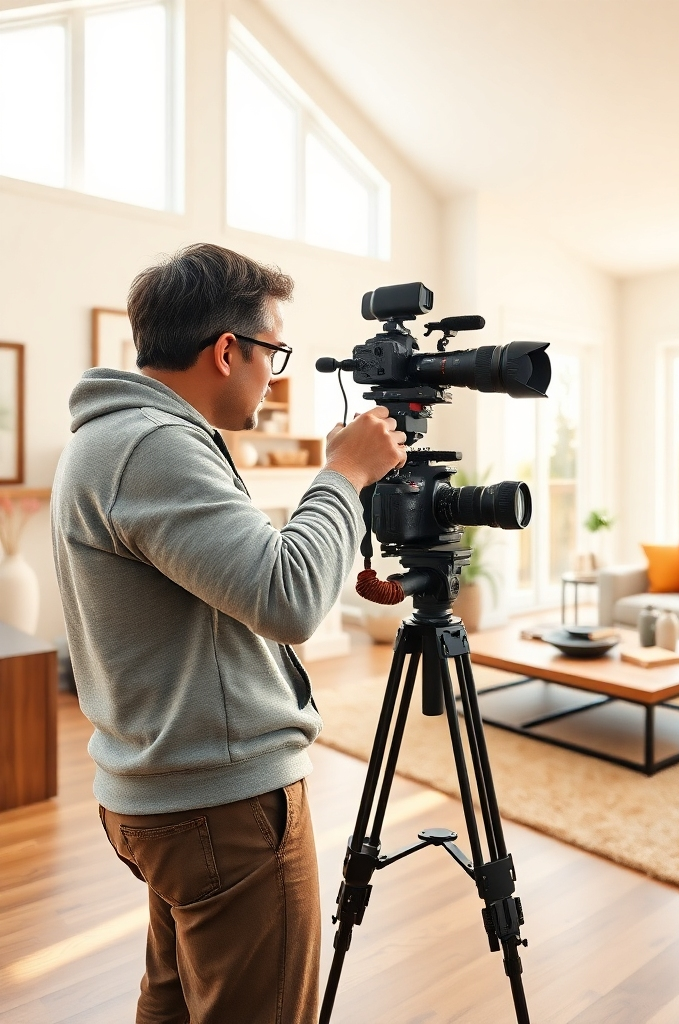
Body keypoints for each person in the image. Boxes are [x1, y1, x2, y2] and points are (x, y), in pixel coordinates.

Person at [51, 243, 406, 1024]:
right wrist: (342, 476)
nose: (272, 373)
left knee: (176, 1003)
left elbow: (239, 582)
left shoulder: (113, 438)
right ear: (225, 349)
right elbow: (288, 600)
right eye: (273, 353)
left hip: (167, 790)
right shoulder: (152, 446)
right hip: (222, 804)